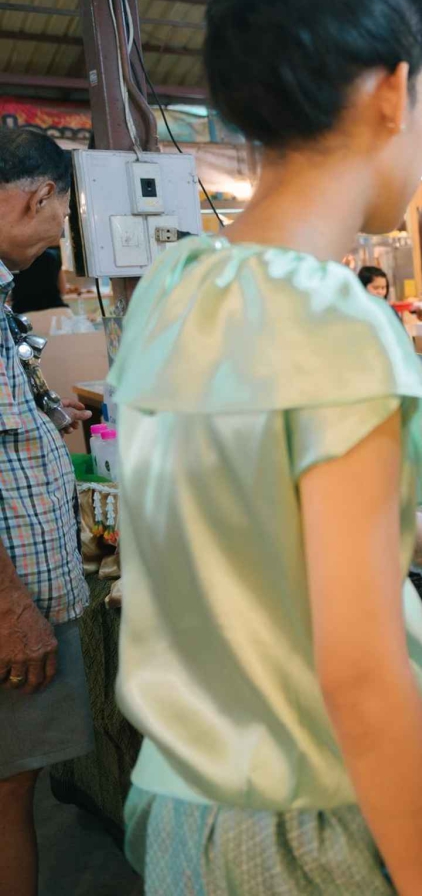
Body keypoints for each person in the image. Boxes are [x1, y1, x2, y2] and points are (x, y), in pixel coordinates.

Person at [108, 0, 422, 894]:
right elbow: (362, 681)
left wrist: (394, 523)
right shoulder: (336, 320)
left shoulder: (179, 284)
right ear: (388, 94)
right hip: (310, 830)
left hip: (183, 817)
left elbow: (222, 505)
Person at [0, 129, 93, 896]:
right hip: (11, 614)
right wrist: (10, 609)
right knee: (8, 796)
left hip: (22, 604)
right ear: (39, 196)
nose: (55, 234)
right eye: (59, 216)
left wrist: (36, 413)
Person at [9, 246, 65, 314]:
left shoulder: (14, 258)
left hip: (24, 312)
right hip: (56, 310)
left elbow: (8, 288)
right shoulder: (54, 255)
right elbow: (62, 289)